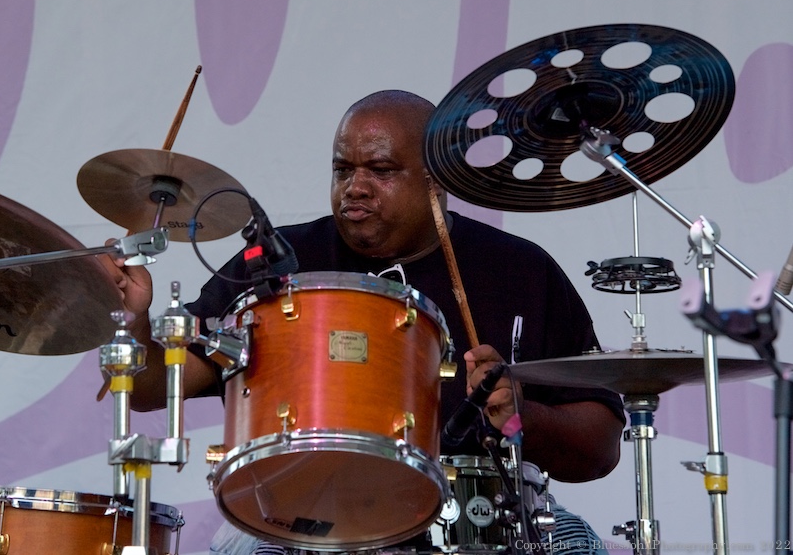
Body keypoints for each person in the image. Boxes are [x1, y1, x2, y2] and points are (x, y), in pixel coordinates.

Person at [105, 90, 625, 554]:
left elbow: (599, 451)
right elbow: (153, 388)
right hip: (294, 514)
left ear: (436, 181)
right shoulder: (275, 262)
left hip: (478, 516)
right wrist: (133, 319)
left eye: (380, 170)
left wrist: (520, 415)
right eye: (342, 169)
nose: (354, 188)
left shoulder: (520, 271)